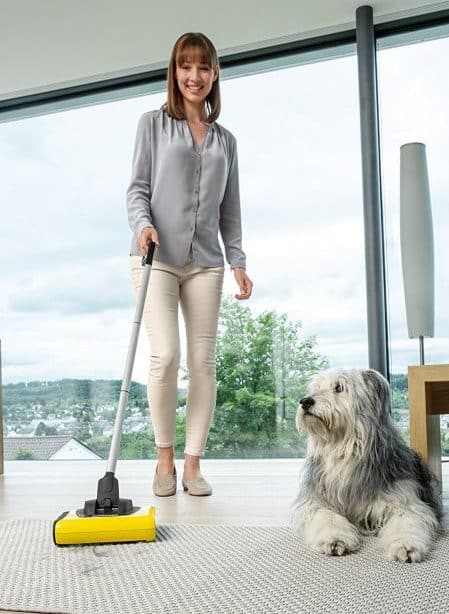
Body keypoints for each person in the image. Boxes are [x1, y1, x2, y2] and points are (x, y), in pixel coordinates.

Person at [127, 32, 253, 497]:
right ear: (174, 72)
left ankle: (194, 464)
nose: (194, 76)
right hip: (155, 256)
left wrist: (237, 259)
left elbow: (231, 208)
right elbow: (137, 188)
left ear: (215, 74)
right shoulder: (152, 124)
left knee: (203, 362)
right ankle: (164, 461)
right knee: (166, 357)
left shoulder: (227, 141)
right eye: (186, 66)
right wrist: (143, 225)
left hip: (206, 263)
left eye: (203, 67)